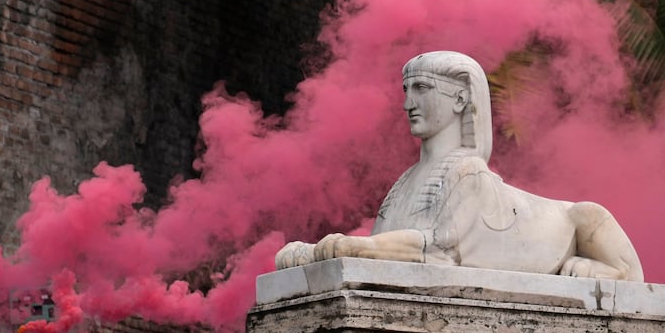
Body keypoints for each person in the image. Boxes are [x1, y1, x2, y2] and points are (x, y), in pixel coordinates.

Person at [275, 51, 645, 281]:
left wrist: (347, 248)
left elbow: (434, 250)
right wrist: (321, 252)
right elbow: (386, 250)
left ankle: (618, 269)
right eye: (406, 91)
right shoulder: (406, 182)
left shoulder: (469, 174)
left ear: (459, 99)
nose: (408, 104)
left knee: (587, 214)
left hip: (567, 234)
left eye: (422, 89)